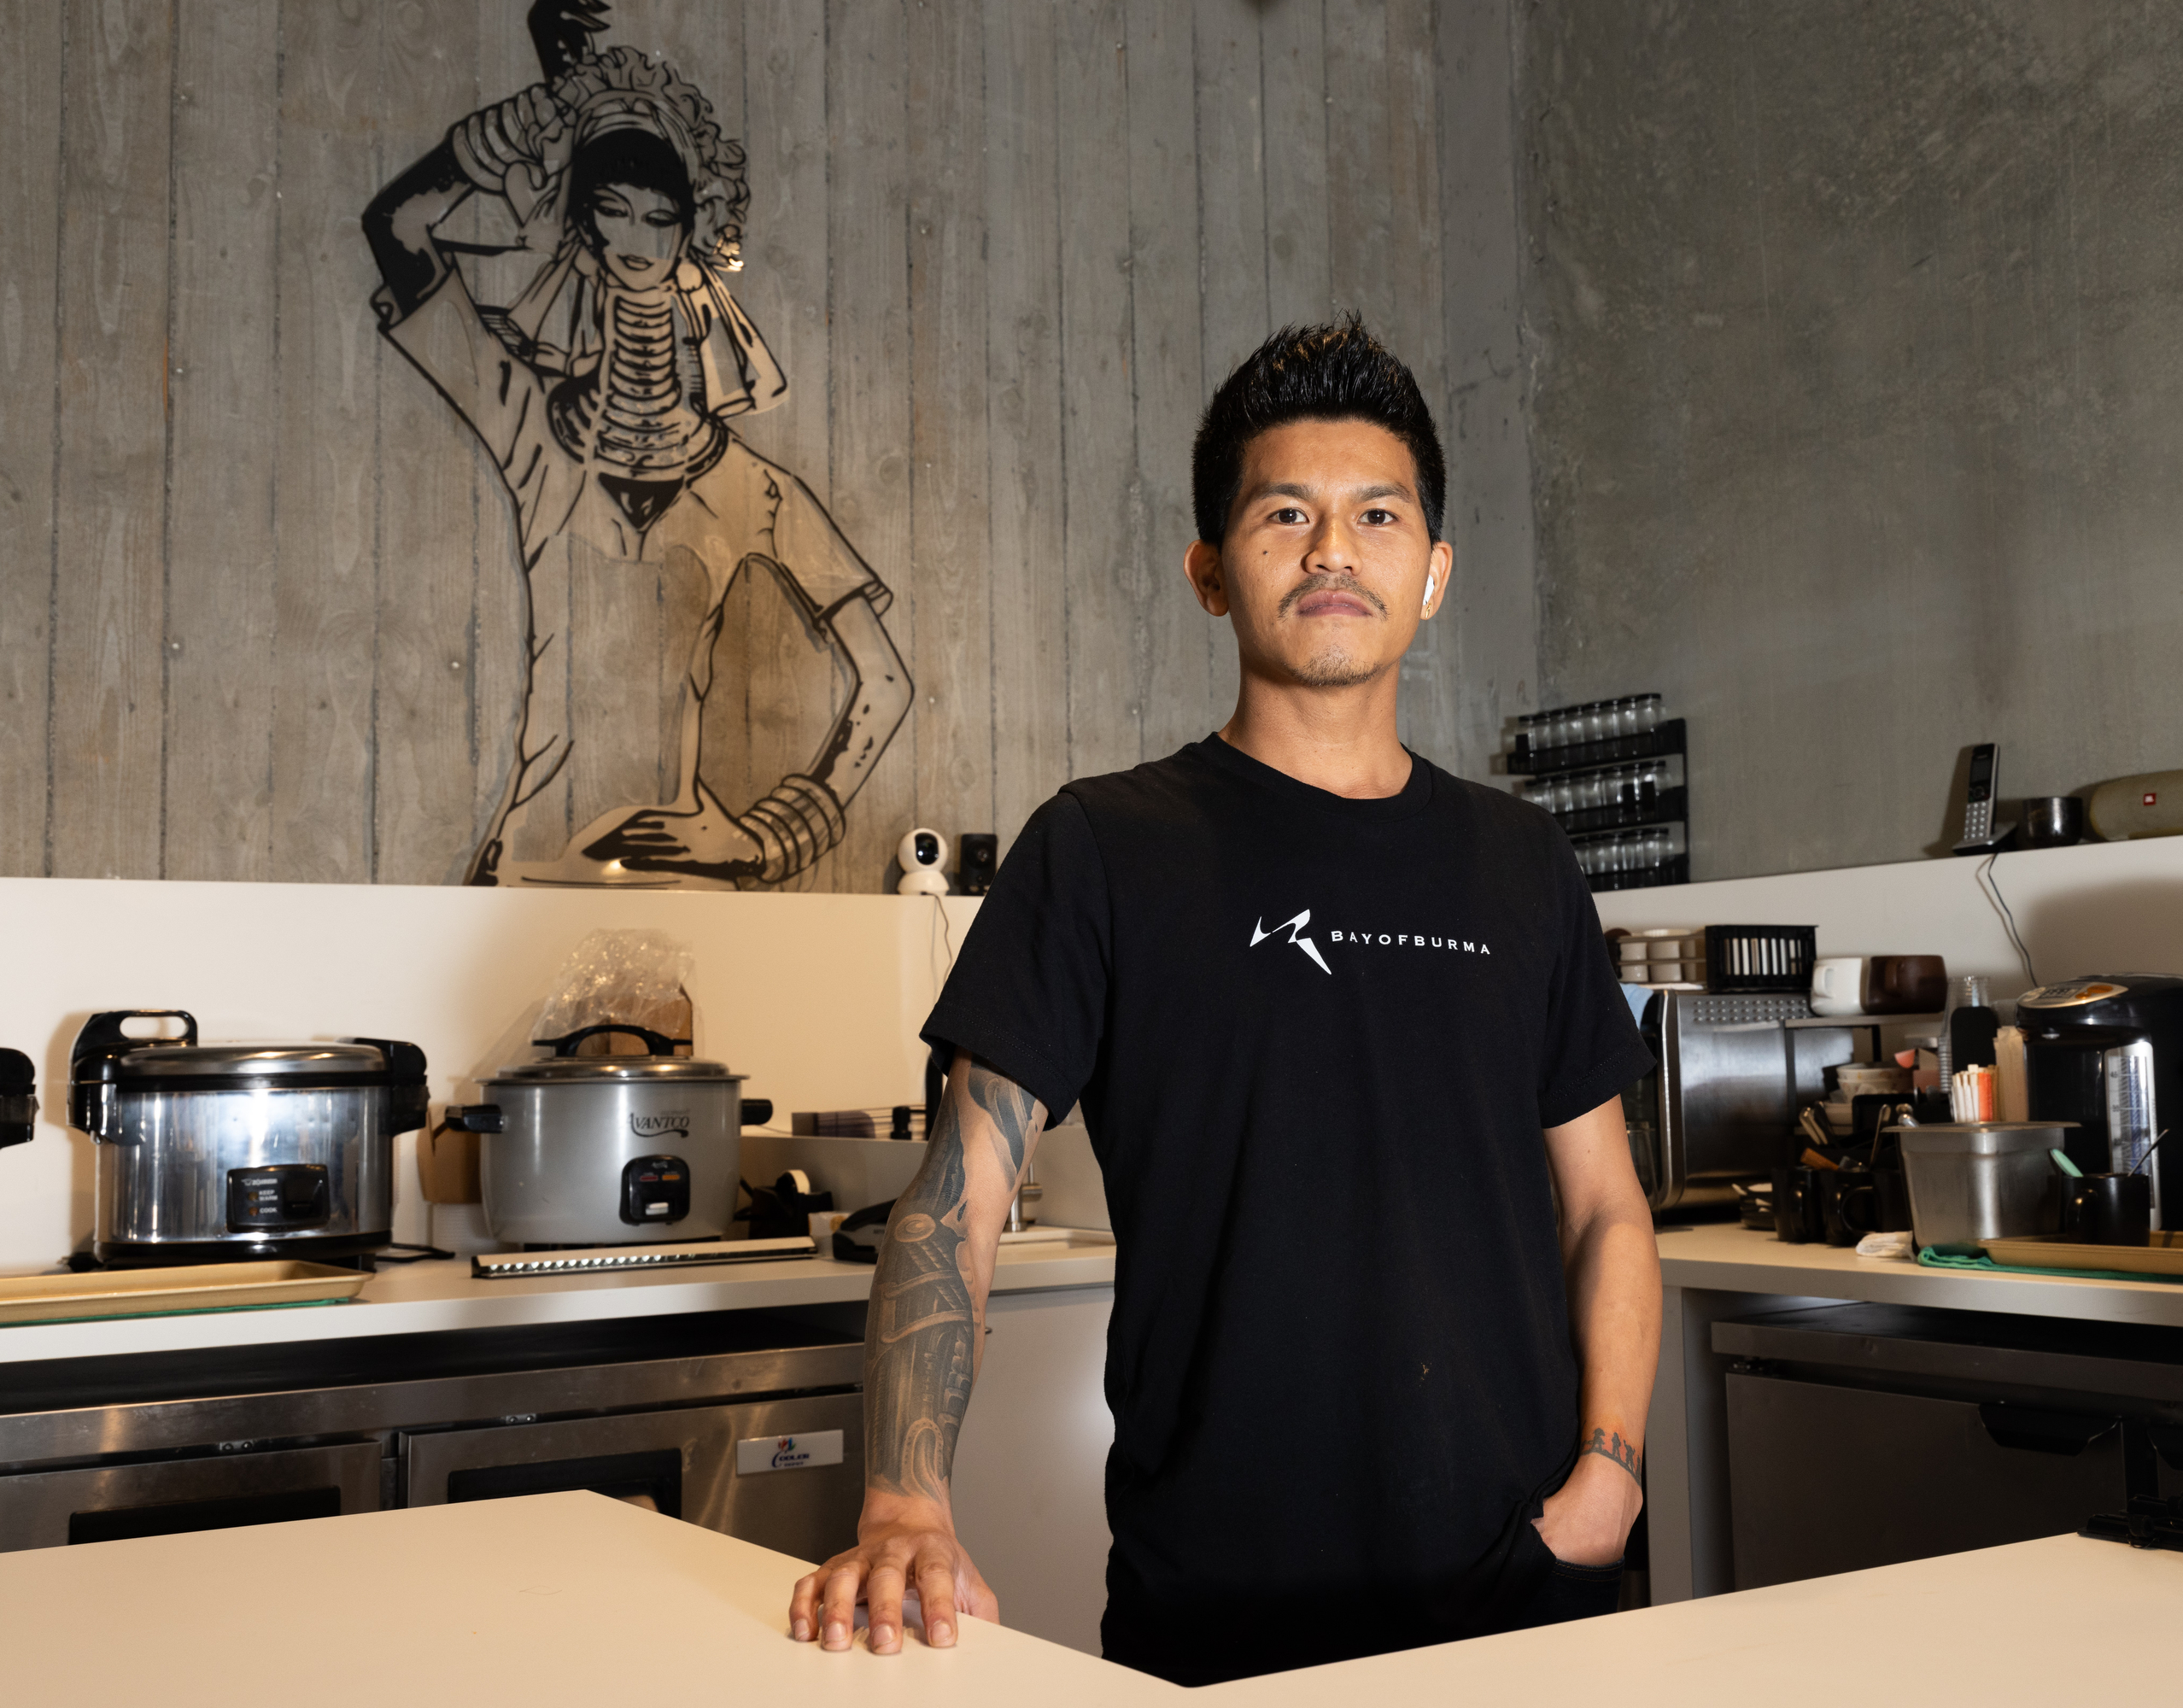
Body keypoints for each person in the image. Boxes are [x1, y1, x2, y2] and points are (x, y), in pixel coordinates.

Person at [788, 321, 1663, 1685]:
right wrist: (906, 1500)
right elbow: (957, 1194)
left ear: (1431, 574)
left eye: (1378, 515)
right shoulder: (1104, 848)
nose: (1332, 549)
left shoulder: (1524, 862)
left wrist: (1607, 1478)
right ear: (1210, 572)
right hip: (1226, 1608)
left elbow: (1607, 1205)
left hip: (1525, 1588)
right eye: (1285, 515)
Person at [363, 24, 911, 889]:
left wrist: (771, 840)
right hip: (528, 865)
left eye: (660, 219)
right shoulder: (530, 429)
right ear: (580, 220)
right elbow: (396, 225)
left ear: (690, 231)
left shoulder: (756, 490)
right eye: (612, 211)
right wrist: (529, 123)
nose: (637, 240)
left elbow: (883, 680)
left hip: (680, 877)